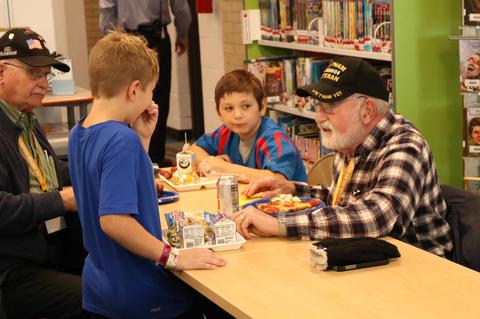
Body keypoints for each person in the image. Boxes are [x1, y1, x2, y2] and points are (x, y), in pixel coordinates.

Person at [68, 30, 226, 318]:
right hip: (142, 294)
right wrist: (174, 256)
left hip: (102, 289)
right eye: (150, 91)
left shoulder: (79, 132)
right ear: (133, 89)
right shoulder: (120, 140)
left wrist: (142, 140)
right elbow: (114, 221)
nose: (151, 100)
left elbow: (115, 187)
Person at [234, 57, 453, 258]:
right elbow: (344, 201)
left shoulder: (404, 146)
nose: (319, 117)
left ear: (366, 111)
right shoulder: (350, 140)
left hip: (419, 268)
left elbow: (377, 217)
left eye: (329, 107)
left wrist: (278, 224)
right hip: (366, 258)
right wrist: (292, 190)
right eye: (319, 106)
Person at [0, 28, 94, 318]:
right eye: (33, 73)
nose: (43, 83)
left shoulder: (26, 119)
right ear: (1, 71)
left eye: (46, 75)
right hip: (13, 269)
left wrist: (108, 173)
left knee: (129, 276)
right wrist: (61, 201)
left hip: (52, 247)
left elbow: (53, 172)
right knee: (101, 301)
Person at [99, 0, 192, 167]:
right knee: (158, 98)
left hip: (125, 40)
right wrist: (182, 34)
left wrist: (110, 46)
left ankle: (127, 157)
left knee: (126, 97)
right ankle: (155, 158)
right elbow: (180, 6)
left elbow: (107, 10)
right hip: (157, 36)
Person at [190, 69, 307, 183]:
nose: (238, 115)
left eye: (246, 106)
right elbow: (193, 150)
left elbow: (276, 180)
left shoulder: (275, 139)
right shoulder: (226, 132)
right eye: (229, 108)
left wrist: (224, 168)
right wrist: (209, 163)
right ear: (218, 112)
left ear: (262, 107)